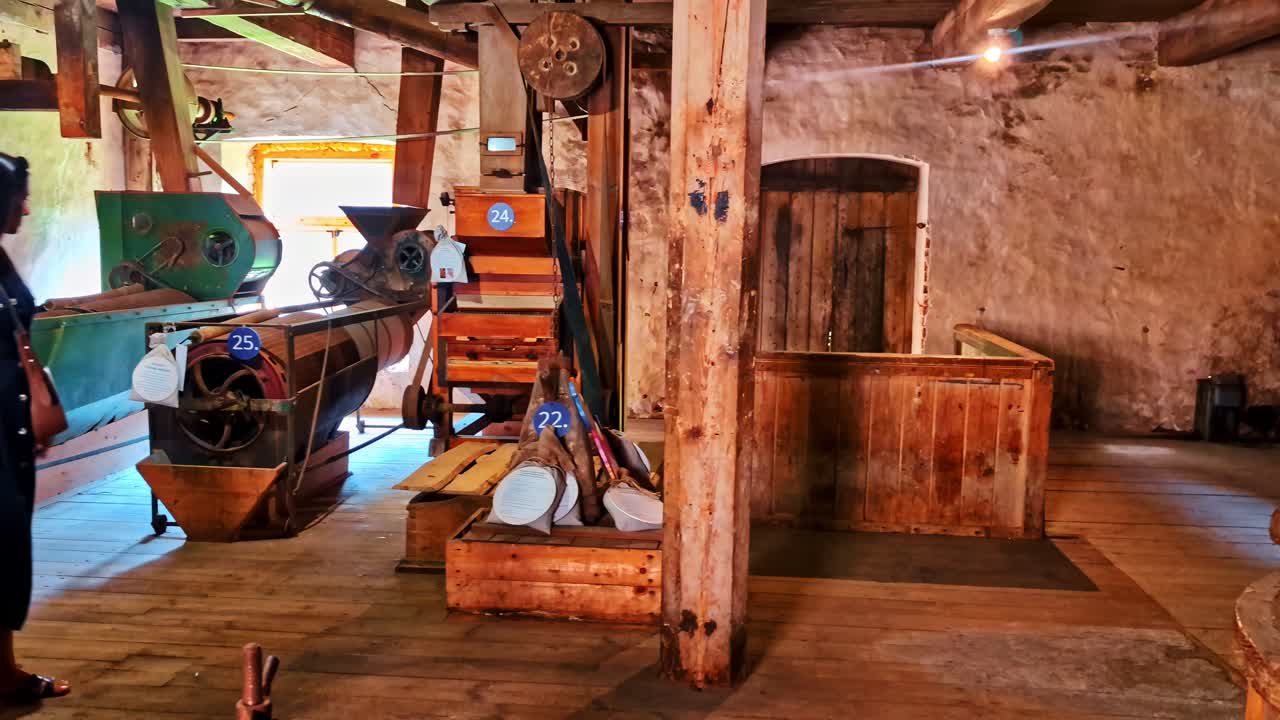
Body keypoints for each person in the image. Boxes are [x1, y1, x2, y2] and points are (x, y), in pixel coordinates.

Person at [0, 153, 71, 704]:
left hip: (8, 427)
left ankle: (2, 672)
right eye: (17, 196)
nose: (26, 206)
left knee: (5, 543)